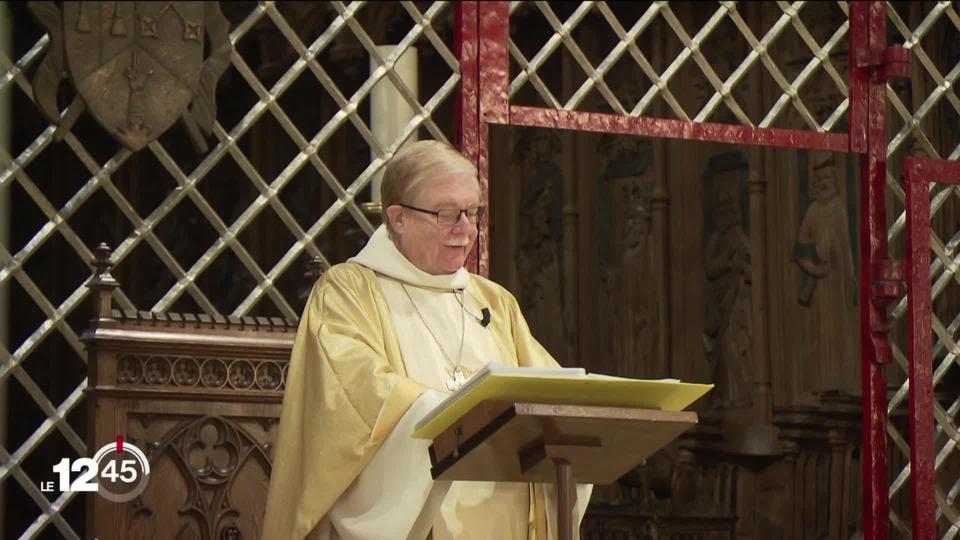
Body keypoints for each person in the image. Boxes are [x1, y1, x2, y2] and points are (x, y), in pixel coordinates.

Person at [261, 140, 592, 540]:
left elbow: (553, 394)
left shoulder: (494, 302)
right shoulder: (348, 292)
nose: (466, 230)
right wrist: (462, 416)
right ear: (398, 218)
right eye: (447, 214)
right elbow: (352, 396)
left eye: (472, 213)